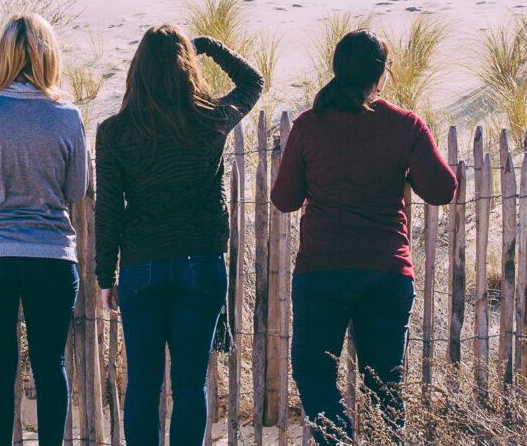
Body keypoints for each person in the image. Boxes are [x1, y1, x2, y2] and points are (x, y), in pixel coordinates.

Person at [271, 29, 457, 445]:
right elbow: (443, 190)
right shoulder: (405, 126)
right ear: (381, 74)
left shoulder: (309, 125)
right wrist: (404, 170)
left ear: (336, 70)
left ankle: (337, 439)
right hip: (386, 270)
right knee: (384, 385)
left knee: (313, 371)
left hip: (323, 270)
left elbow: (284, 199)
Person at [95, 24, 264, 446]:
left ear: (137, 72)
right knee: (190, 383)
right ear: (188, 68)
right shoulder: (210, 119)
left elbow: (110, 209)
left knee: (142, 385)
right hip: (202, 264)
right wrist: (206, 47)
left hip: (141, 265)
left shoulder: (115, 132)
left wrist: (104, 277)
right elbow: (252, 81)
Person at [0, 14, 88, 446]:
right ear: (48, 57)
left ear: (4, 57)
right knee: (49, 365)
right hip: (50, 256)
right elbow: (77, 189)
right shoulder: (68, 117)